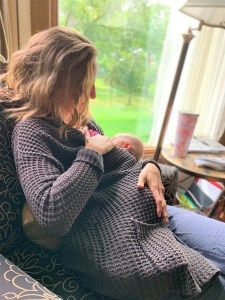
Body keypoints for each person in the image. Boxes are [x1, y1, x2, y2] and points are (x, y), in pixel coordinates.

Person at [1, 27, 225, 299]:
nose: (92, 94)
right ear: (54, 82)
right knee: (213, 287)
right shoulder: (31, 133)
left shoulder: (79, 118)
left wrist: (149, 167)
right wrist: (91, 153)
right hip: (114, 236)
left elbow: (117, 162)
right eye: (84, 84)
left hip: (152, 214)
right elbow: (52, 214)